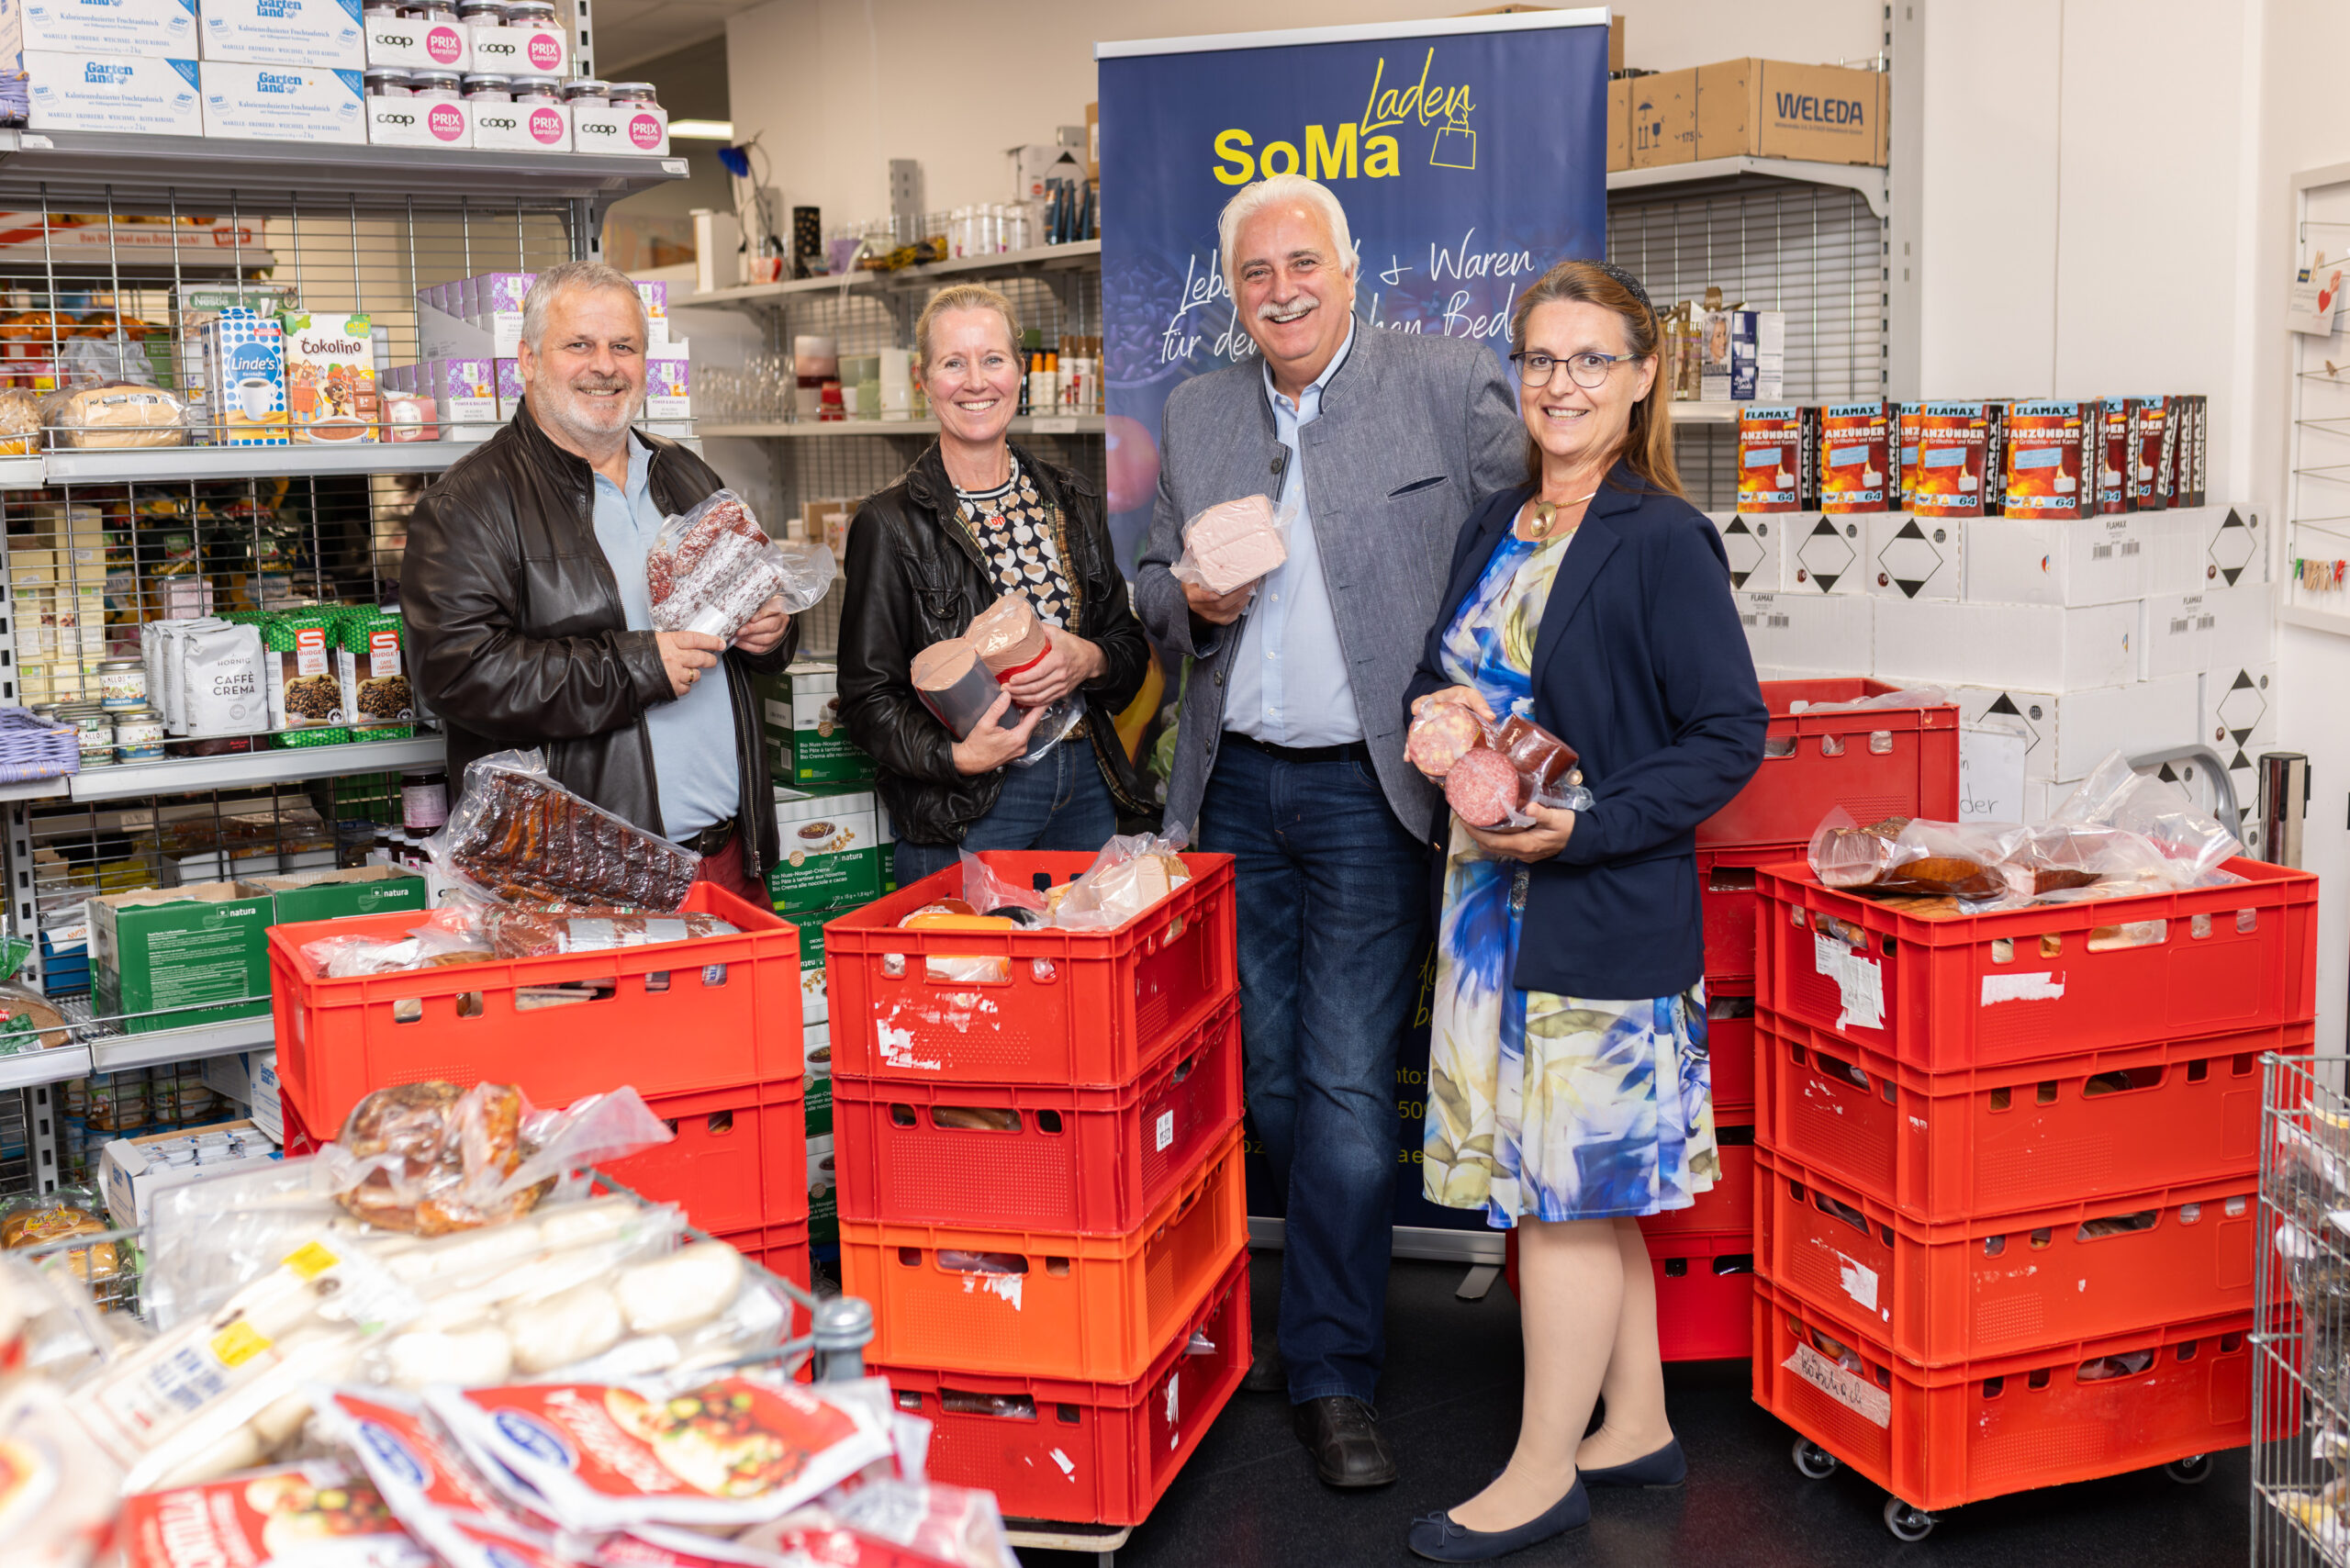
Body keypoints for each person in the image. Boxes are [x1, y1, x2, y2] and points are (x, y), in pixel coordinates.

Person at [1134, 174, 1523, 1489]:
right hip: (1230, 788)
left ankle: (1335, 1373)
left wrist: (1492, 710)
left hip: (1370, 791)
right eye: (1257, 273)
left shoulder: (1444, 381)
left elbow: (1525, 542)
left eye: (1305, 264)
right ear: (1233, 292)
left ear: (1352, 275)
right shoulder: (1195, 411)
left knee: (1353, 1089)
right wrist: (1184, 595)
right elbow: (1144, 580)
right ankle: (1309, 1324)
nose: (1282, 290)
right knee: (1269, 1083)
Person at [1400, 259, 1766, 1562]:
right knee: (1591, 1194)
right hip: (1490, 912)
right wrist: (1436, 723)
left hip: (1596, 908)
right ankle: (1638, 1423)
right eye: (1542, 361)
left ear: (1643, 376)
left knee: (1555, 1202)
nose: (1562, 386)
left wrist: (1591, 821)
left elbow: (1731, 732)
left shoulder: (1661, 536)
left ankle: (1541, 1473)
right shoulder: (1498, 520)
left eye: (1591, 361)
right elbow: (1444, 677)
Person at [403, 260, 797, 906]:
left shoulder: (686, 474)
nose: (605, 365)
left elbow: (753, 602)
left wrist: (772, 631)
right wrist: (639, 666)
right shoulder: (469, 503)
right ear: (527, 360)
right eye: (578, 344)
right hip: (583, 880)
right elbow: (456, 673)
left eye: (624, 346)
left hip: (728, 861)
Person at [836, 283, 1152, 887]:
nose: (976, 382)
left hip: (1085, 781)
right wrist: (956, 757)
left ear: (1020, 371)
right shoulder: (890, 524)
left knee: (1079, 976)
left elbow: (1128, 648)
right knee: (970, 976)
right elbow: (864, 701)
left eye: (993, 360)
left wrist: (1089, 659)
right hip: (971, 806)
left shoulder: (1072, 499)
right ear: (925, 379)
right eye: (954, 363)